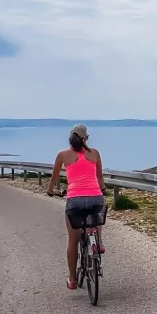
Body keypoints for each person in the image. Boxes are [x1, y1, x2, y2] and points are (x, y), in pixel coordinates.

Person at [47, 124, 107, 290]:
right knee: (96, 213)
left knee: (73, 240)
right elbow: (99, 176)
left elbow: (54, 177)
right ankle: (99, 242)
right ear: (85, 138)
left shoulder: (62, 155)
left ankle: (73, 279)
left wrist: (51, 191)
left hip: (75, 200)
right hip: (95, 196)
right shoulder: (94, 153)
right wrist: (101, 190)